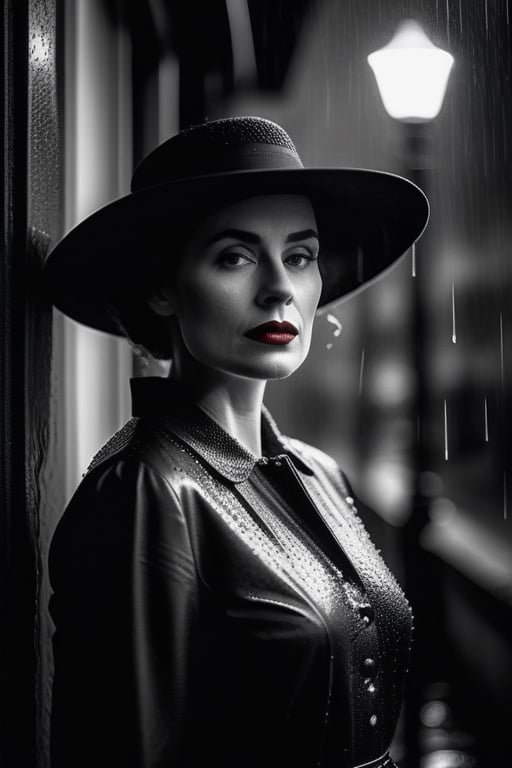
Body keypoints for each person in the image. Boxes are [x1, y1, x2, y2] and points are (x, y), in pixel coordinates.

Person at [43, 116, 429, 768]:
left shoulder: (320, 474)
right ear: (162, 287)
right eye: (236, 257)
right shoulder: (147, 489)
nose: (280, 287)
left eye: (301, 256)